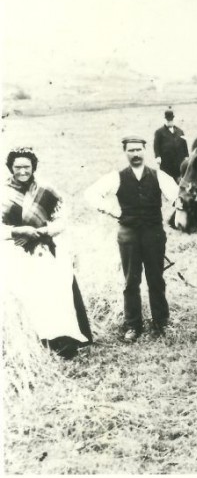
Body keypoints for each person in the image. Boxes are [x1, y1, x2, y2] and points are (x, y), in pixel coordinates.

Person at [84, 136, 179, 342]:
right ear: (125, 152)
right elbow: (90, 195)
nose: (135, 154)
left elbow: (178, 198)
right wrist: (113, 212)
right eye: (131, 150)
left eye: (139, 150)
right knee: (130, 281)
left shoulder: (159, 176)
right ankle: (133, 325)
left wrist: (179, 210)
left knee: (156, 279)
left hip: (154, 233)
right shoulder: (116, 177)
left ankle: (161, 323)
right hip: (128, 234)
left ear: (145, 151)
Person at [2, 147, 93, 358]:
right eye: (18, 167)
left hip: (46, 249)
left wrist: (43, 231)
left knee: (56, 292)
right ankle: (37, 340)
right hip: (16, 252)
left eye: (27, 166)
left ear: (34, 167)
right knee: (29, 295)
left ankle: (63, 340)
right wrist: (17, 231)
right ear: (10, 168)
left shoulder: (46, 189)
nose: (23, 171)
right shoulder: (3, 192)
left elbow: (62, 219)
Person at [153, 107, 189, 181]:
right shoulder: (159, 132)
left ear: (174, 119)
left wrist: (186, 156)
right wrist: (158, 157)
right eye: (168, 120)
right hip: (166, 163)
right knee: (167, 181)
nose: (170, 122)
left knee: (180, 180)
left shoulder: (180, 131)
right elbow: (156, 145)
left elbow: (184, 144)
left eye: (171, 120)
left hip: (179, 162)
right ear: (165, 120)